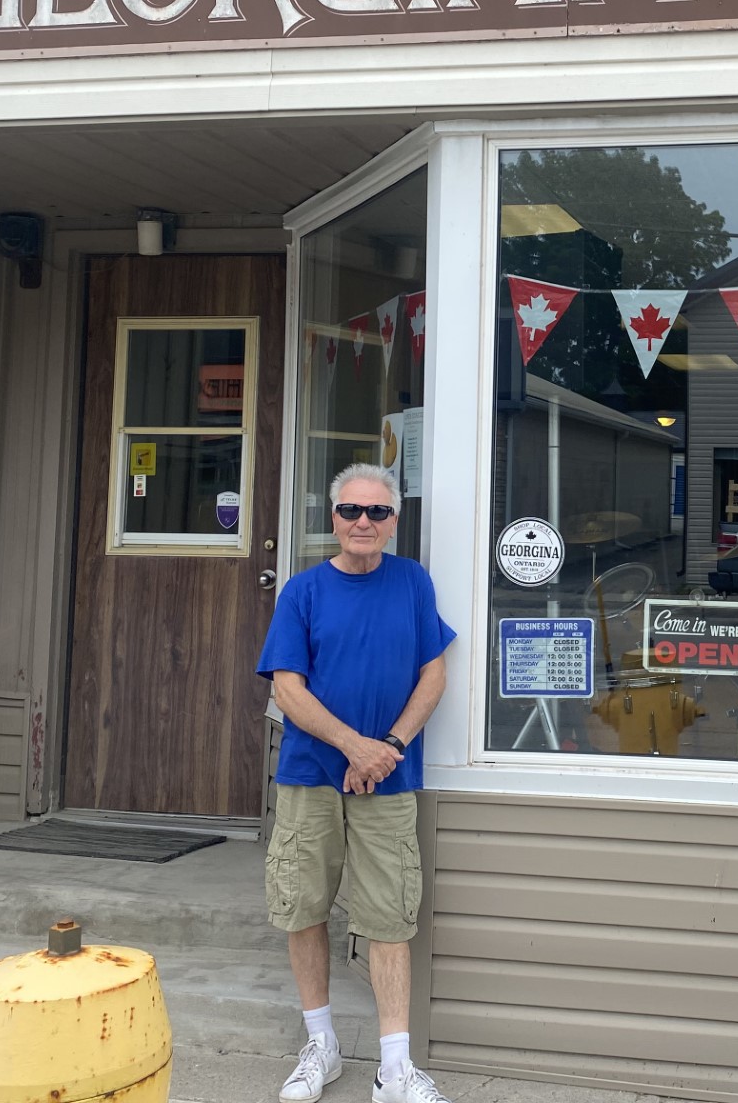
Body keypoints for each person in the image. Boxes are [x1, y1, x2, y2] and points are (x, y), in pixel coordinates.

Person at [257, 463, 457, 1103]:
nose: (363, 522)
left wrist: (389, 748)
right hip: (312, 775)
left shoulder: (412, 583)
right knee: (303, 908)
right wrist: (353, 745)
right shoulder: (303, 592)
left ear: (395, 520)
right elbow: (287, 687)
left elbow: (433, 674)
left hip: (389, 782)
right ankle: (322, 1045)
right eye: (351, 511)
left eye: (376, 512)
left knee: (389, 917)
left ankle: (394, 1067)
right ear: (333, 518)